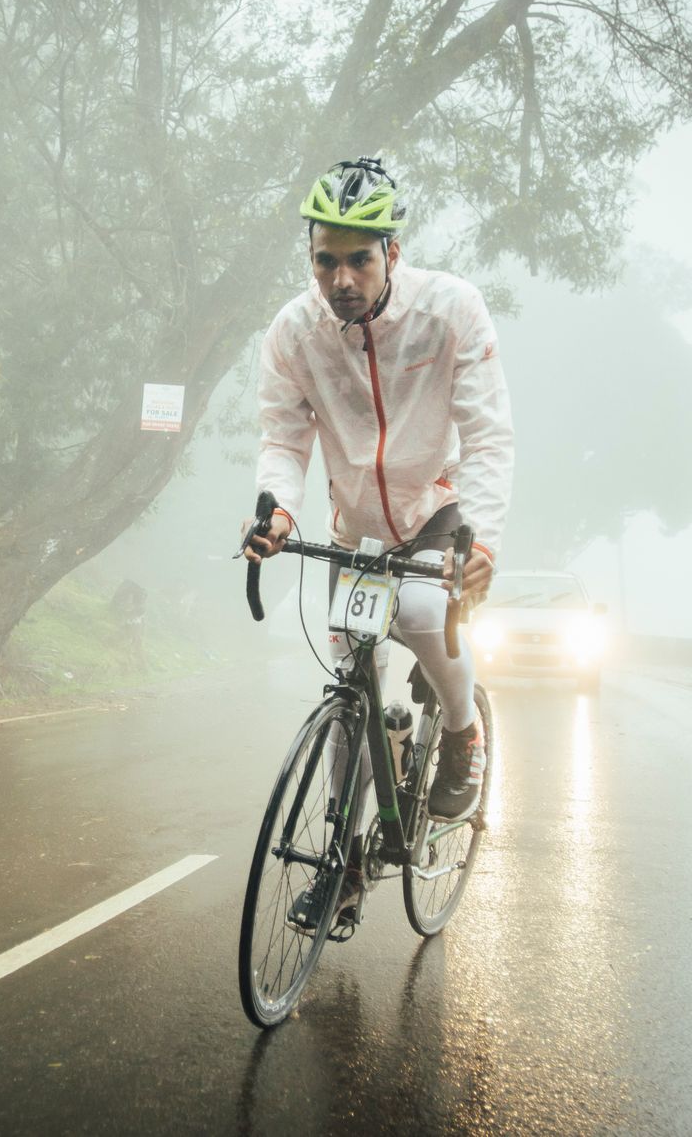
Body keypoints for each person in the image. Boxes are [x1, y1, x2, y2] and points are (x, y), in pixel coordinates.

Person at [241, 157, 513, 925]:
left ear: (393, 252)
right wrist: (279, 514)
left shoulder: (451, 310)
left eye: (359, 258)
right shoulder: (293, 333)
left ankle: (461, 738)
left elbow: (489, 438)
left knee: (426, 614)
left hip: (437, 509)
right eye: (325, 259)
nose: (341, 279)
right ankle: (344, 860)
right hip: (354, 527)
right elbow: (283, 439)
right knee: (349, 688)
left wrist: (482, 542)